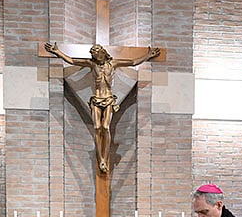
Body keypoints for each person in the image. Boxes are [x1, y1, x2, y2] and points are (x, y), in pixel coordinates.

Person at [44, 42, 160, 173]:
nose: (96, 56)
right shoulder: (92, 64)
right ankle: (101, 159)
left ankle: (105, 156)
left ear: (103, 53)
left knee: (105, 127)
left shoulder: (113, 64)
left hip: (109, 99)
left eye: (97, 53)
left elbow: (133, 62)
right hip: (96, 99)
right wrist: (58, 52)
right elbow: (72, 60)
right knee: (97, 128)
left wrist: (147, 56)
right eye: (93, 54)